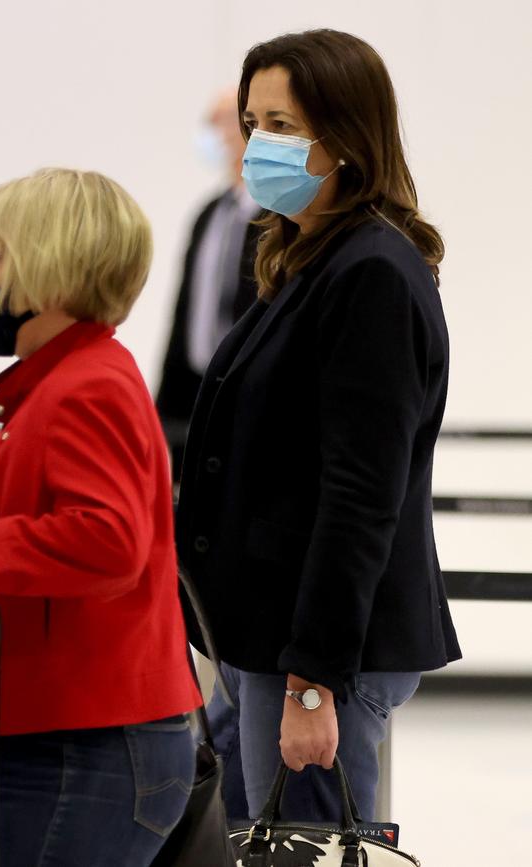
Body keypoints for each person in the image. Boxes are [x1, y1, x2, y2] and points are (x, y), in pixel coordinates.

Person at [176, 29, 462, 824]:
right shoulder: (310, 257)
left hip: (319, 652)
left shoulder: (369, 271)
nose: (256, 145)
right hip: (276, 638)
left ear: (345, 138)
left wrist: (312, 678)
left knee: (303, 840)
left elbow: (359, 494)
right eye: (252, 121)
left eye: (281, 126)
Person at [0, 168, 201, 867]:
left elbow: (109, 541)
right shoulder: (68, 383)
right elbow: (54, 585)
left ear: (51, 269)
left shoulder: (86, 387)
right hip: (63, 739)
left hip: (81, 752)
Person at [156, 88, 262, 482]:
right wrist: (164, 408)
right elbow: (185, 311)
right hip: (195, 396)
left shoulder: (279, 221)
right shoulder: (209, 215)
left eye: (218, 121)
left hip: (250, 402)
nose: (210, 134)